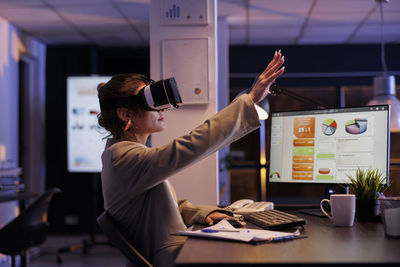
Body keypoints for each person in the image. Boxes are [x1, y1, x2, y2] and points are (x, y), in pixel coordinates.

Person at [98, 50, 285, 267]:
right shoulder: (122, 157)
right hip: (174, 259)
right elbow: (190, 146)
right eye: (151, 101)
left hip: (178, 252)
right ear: (125, 114)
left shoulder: (127, 156)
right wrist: (250, 100)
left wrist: (206, 213)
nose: (162, 109)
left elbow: (163, 206)